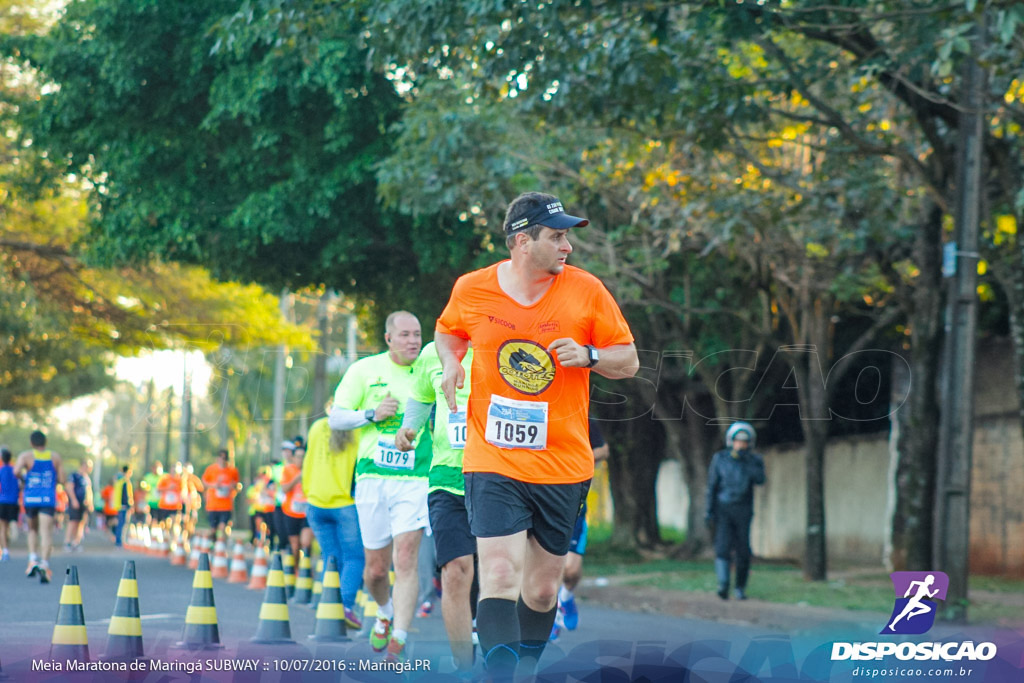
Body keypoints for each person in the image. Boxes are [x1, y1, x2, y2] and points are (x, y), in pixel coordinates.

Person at [435, 191, 638, 678]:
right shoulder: (473, 288)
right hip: (493, 457)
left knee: (544, 589)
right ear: (522, 242)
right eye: (558, 235)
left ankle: (523, 670)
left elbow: (628, 361)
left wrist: (590, 356)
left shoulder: (586, 290)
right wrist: (450, 362)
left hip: (563, 463)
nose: (567, 246)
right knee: (500, 573)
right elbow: (449, 330)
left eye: (567, 236)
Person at [328, 310, 431, 662]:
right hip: (372, 478)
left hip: (416, 477)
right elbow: (336, 416)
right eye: (404, 335)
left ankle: (399, 637)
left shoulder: (430, 368)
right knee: (375, 569)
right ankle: (384, 611)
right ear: (388, 339)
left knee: (405, 559)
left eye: (417, 334)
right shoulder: (363, 370)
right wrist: (372, 414)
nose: (413, 341)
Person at [396, 340, 478, 673]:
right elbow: (421, 397)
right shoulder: (435, 351)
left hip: (501, 477)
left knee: (498, 573)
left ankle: (498, 651)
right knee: (456, 570)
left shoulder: (506, 344)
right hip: (447, 478)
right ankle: (466, 669)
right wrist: (408, 428)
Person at [303, 415, 365, 630]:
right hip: (344, 503)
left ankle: (327, 606)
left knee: (331, 557)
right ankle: (345, 607)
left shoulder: (317, 426)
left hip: (315, 501)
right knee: (355, 557)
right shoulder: (359, 428)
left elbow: (308, 460)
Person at [551, 418, 610, 639]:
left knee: (571, 571)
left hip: (575, 502)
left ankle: (566, 596)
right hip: (543, 499)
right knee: (550, 566)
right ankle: (551, 618)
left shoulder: (584, 419)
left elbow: (604, 450)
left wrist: (578, 457)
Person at [704, 421, 766, 600]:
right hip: (723, 508)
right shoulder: (720, 458)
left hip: (743, 509)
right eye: (738, 441)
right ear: (731, 441)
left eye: (744, 442)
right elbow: (712, 486)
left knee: (743, 550)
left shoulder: (754, 460)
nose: (741, 444)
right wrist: (709, 510)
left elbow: (760, 479)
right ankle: (723, 585)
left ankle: (740, 587)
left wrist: (746, 461)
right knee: (722, 547)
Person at [15, 430, 67, 583]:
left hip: (30, 498)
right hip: (47, 499)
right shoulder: (55, 457)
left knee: (32, 529)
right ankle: (44, 564)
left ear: (32, 443)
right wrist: (52, 480)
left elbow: (16, 471)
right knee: (46, 533)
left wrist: (25, 479)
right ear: (46, 442)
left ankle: (32, 560)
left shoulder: (26, 456)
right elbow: (63, 479)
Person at [281, 444, 314, 563]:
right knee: (295, 545)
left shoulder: (311, 470)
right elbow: (284, 489)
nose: (301, 459)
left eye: (303, 456)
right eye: (298, 456)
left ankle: (306, 570)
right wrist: (297, 478)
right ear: (293, 458)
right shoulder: (288, 470)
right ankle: (296, 571)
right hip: (291, 513)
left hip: (307, 513)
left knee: (305, 542)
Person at [201, 450, 241, 537]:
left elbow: (238, 486)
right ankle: (213, 544)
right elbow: (203, 483)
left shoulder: (232, 470)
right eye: (221, 457)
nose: (223, 460)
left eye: (225, 458)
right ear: (217, 458)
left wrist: (233, 486)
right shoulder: (211, 469)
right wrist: (214, 485)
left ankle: (222, 546)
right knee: (213, 529)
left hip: (226, 505)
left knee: (223, 527)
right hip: (213, 505)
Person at [64, 459, 94, 552]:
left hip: (84, 504)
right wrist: (73, 500)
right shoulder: (74, 476)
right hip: (75, 502)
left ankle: (76, 542)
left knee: (81, 523)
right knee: (73, 521)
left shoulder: (86, 478)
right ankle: (68, 542)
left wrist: (90, 503)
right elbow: (69, 488)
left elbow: (89, 491)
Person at [0, 447, 20, 562]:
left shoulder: (1, 470)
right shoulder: (15, 471)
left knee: (2, 528)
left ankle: (5, 550)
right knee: (9, 524)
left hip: (2, 501)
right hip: (13, 501)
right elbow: (21, 484)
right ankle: (13, 527)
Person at [155, 462, 186, 531]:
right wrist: (168, 488)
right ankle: (168, 536)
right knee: (165, 524)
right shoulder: (165, 479)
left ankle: (173, 540)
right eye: (173, 469)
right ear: (170, 470)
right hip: (164, 505)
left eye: (175, 470)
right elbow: (158, 489)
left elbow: (183, 492)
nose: (174, 471)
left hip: (175, 506)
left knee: (174, 523)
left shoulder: (180, 480)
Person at [111, 464, 134, 548]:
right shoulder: (125, 481)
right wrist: (129, 505)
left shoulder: (118, 481)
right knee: (122, 524)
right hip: (124, 506)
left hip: (118, 505)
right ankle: (119, 541)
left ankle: (118, 540)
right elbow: (126, 495)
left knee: (120, 523)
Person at [139, 461, 163, 527]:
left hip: (160, 503)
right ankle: (151, 533)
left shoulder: (163, 477)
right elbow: (143, 488)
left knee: (160, 521)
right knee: (150, 519)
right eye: (154, 468)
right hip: (150, 502)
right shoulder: (148, 477)